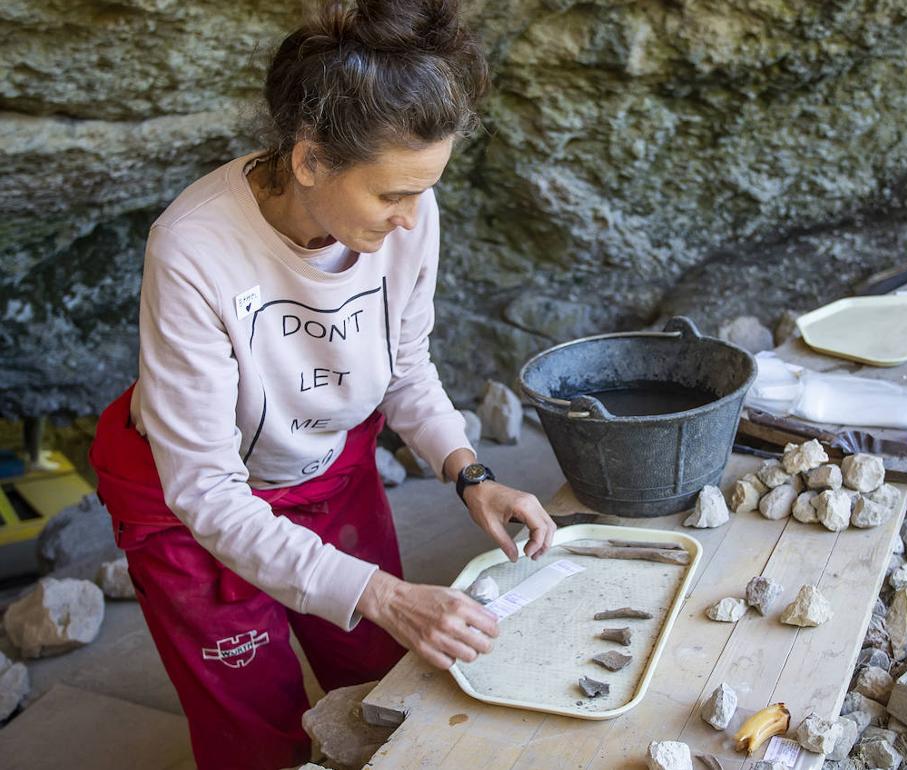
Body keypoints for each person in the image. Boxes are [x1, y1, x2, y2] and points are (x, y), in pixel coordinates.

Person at [88, 1, 556, 766]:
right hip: (193, 503)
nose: (411, 218)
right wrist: (382, 592)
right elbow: (206, 491)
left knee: (382, 686)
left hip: (329, 471)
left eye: (424, 190)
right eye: (391, 195)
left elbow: (404, 368)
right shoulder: (194, 249)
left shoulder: (410, 213)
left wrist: (470, 474)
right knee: (257, 727)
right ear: (309, 161)